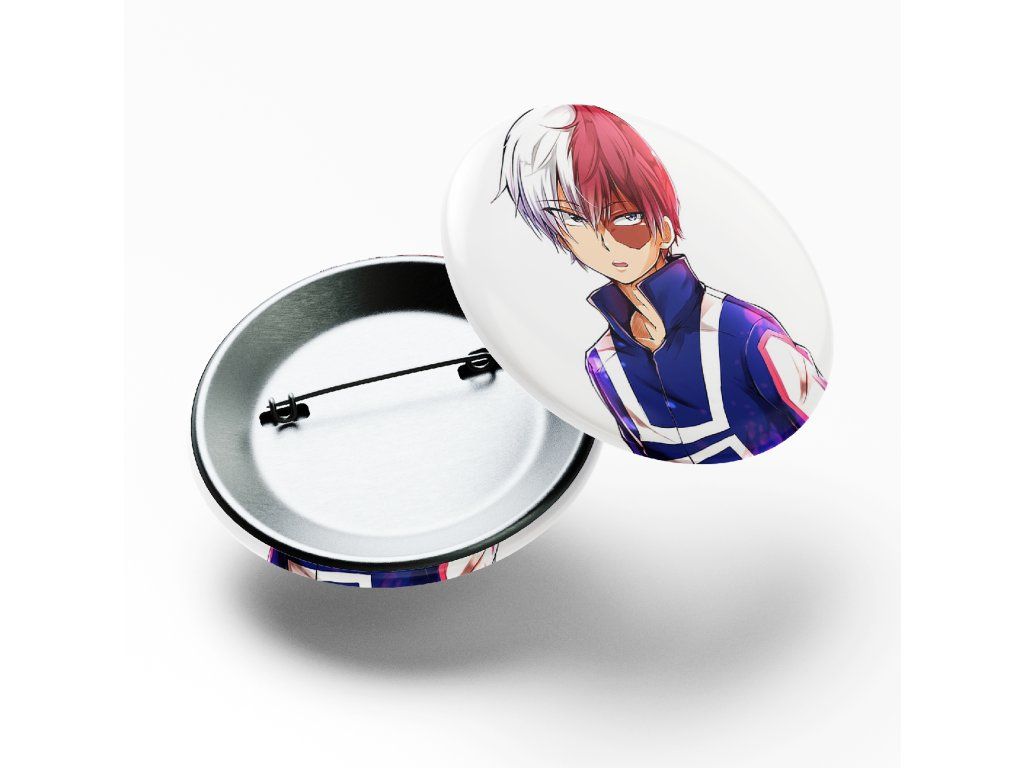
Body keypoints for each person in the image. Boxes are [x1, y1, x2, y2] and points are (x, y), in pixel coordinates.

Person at [498, 105, 826, 463]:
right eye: (574, 219)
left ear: (664, 227)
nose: (603, 240)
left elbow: (816, 422)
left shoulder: (744, 332)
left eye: (626, 216)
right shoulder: (604, 362)